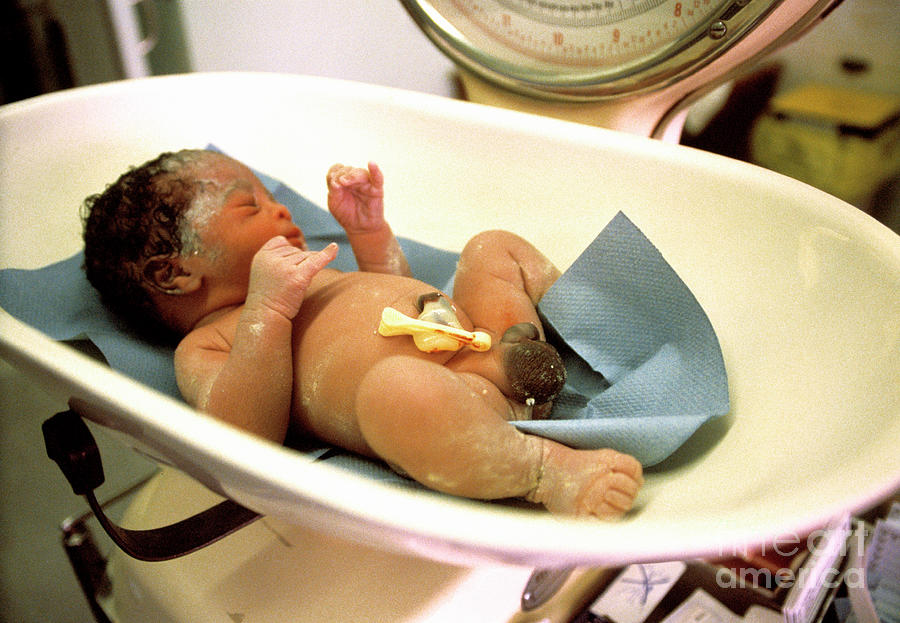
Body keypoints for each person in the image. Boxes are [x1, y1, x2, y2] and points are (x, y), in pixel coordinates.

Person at [82, 149, 643, 518]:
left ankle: (605, 341)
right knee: (394, 389)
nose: (280, 209)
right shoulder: (210, 344)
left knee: (490, 248)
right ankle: (544, 471)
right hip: (461, 407)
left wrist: (369, 233)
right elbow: (243, 437)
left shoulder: (316, 272)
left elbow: (393, 295)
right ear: (175, 272)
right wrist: (267, 311)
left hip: (487, 336)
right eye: (250, 205)